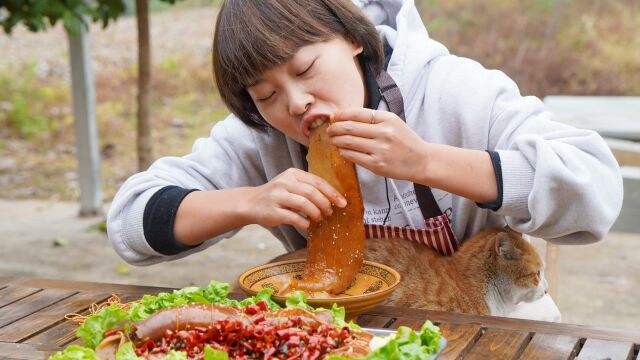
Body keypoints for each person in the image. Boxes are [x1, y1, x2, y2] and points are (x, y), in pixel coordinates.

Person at [107, 0, 623, 321]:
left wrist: (427, 162)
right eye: (265, 94)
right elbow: (131, 220)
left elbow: (596, 189)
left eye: (306, 68)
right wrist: (248, 201)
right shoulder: (261, 136)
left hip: (483, 328)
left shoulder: (457, 91)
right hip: (342, 333)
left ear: (354, 39)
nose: (295, 103)